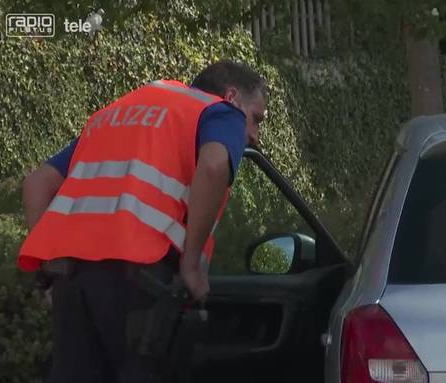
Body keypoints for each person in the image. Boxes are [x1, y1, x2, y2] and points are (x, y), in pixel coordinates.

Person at [18, 59, 267, 382]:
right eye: (256, 119)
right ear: (232, 96)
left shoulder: (115, 115)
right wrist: (191, 265)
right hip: (140, 282)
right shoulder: (218, 112)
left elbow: (37, 183)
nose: (254, 135)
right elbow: (214, 167)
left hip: (72, 280)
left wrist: (52, 276)